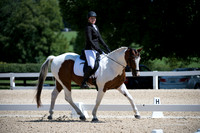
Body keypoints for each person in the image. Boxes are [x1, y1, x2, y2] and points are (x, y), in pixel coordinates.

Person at [81, 11, 111, 89]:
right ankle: (84, 82)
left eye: (94, 18)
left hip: (96, 49)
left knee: (101, 65)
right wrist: (99, 49)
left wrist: (106, 47)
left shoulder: (95, 27)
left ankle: (95, 80)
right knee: (91, 65)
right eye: (91, 18)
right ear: (88, 19)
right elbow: (90, 41)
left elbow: (100, 39)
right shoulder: (88, 28)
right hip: (89, 49)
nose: (93, 19)